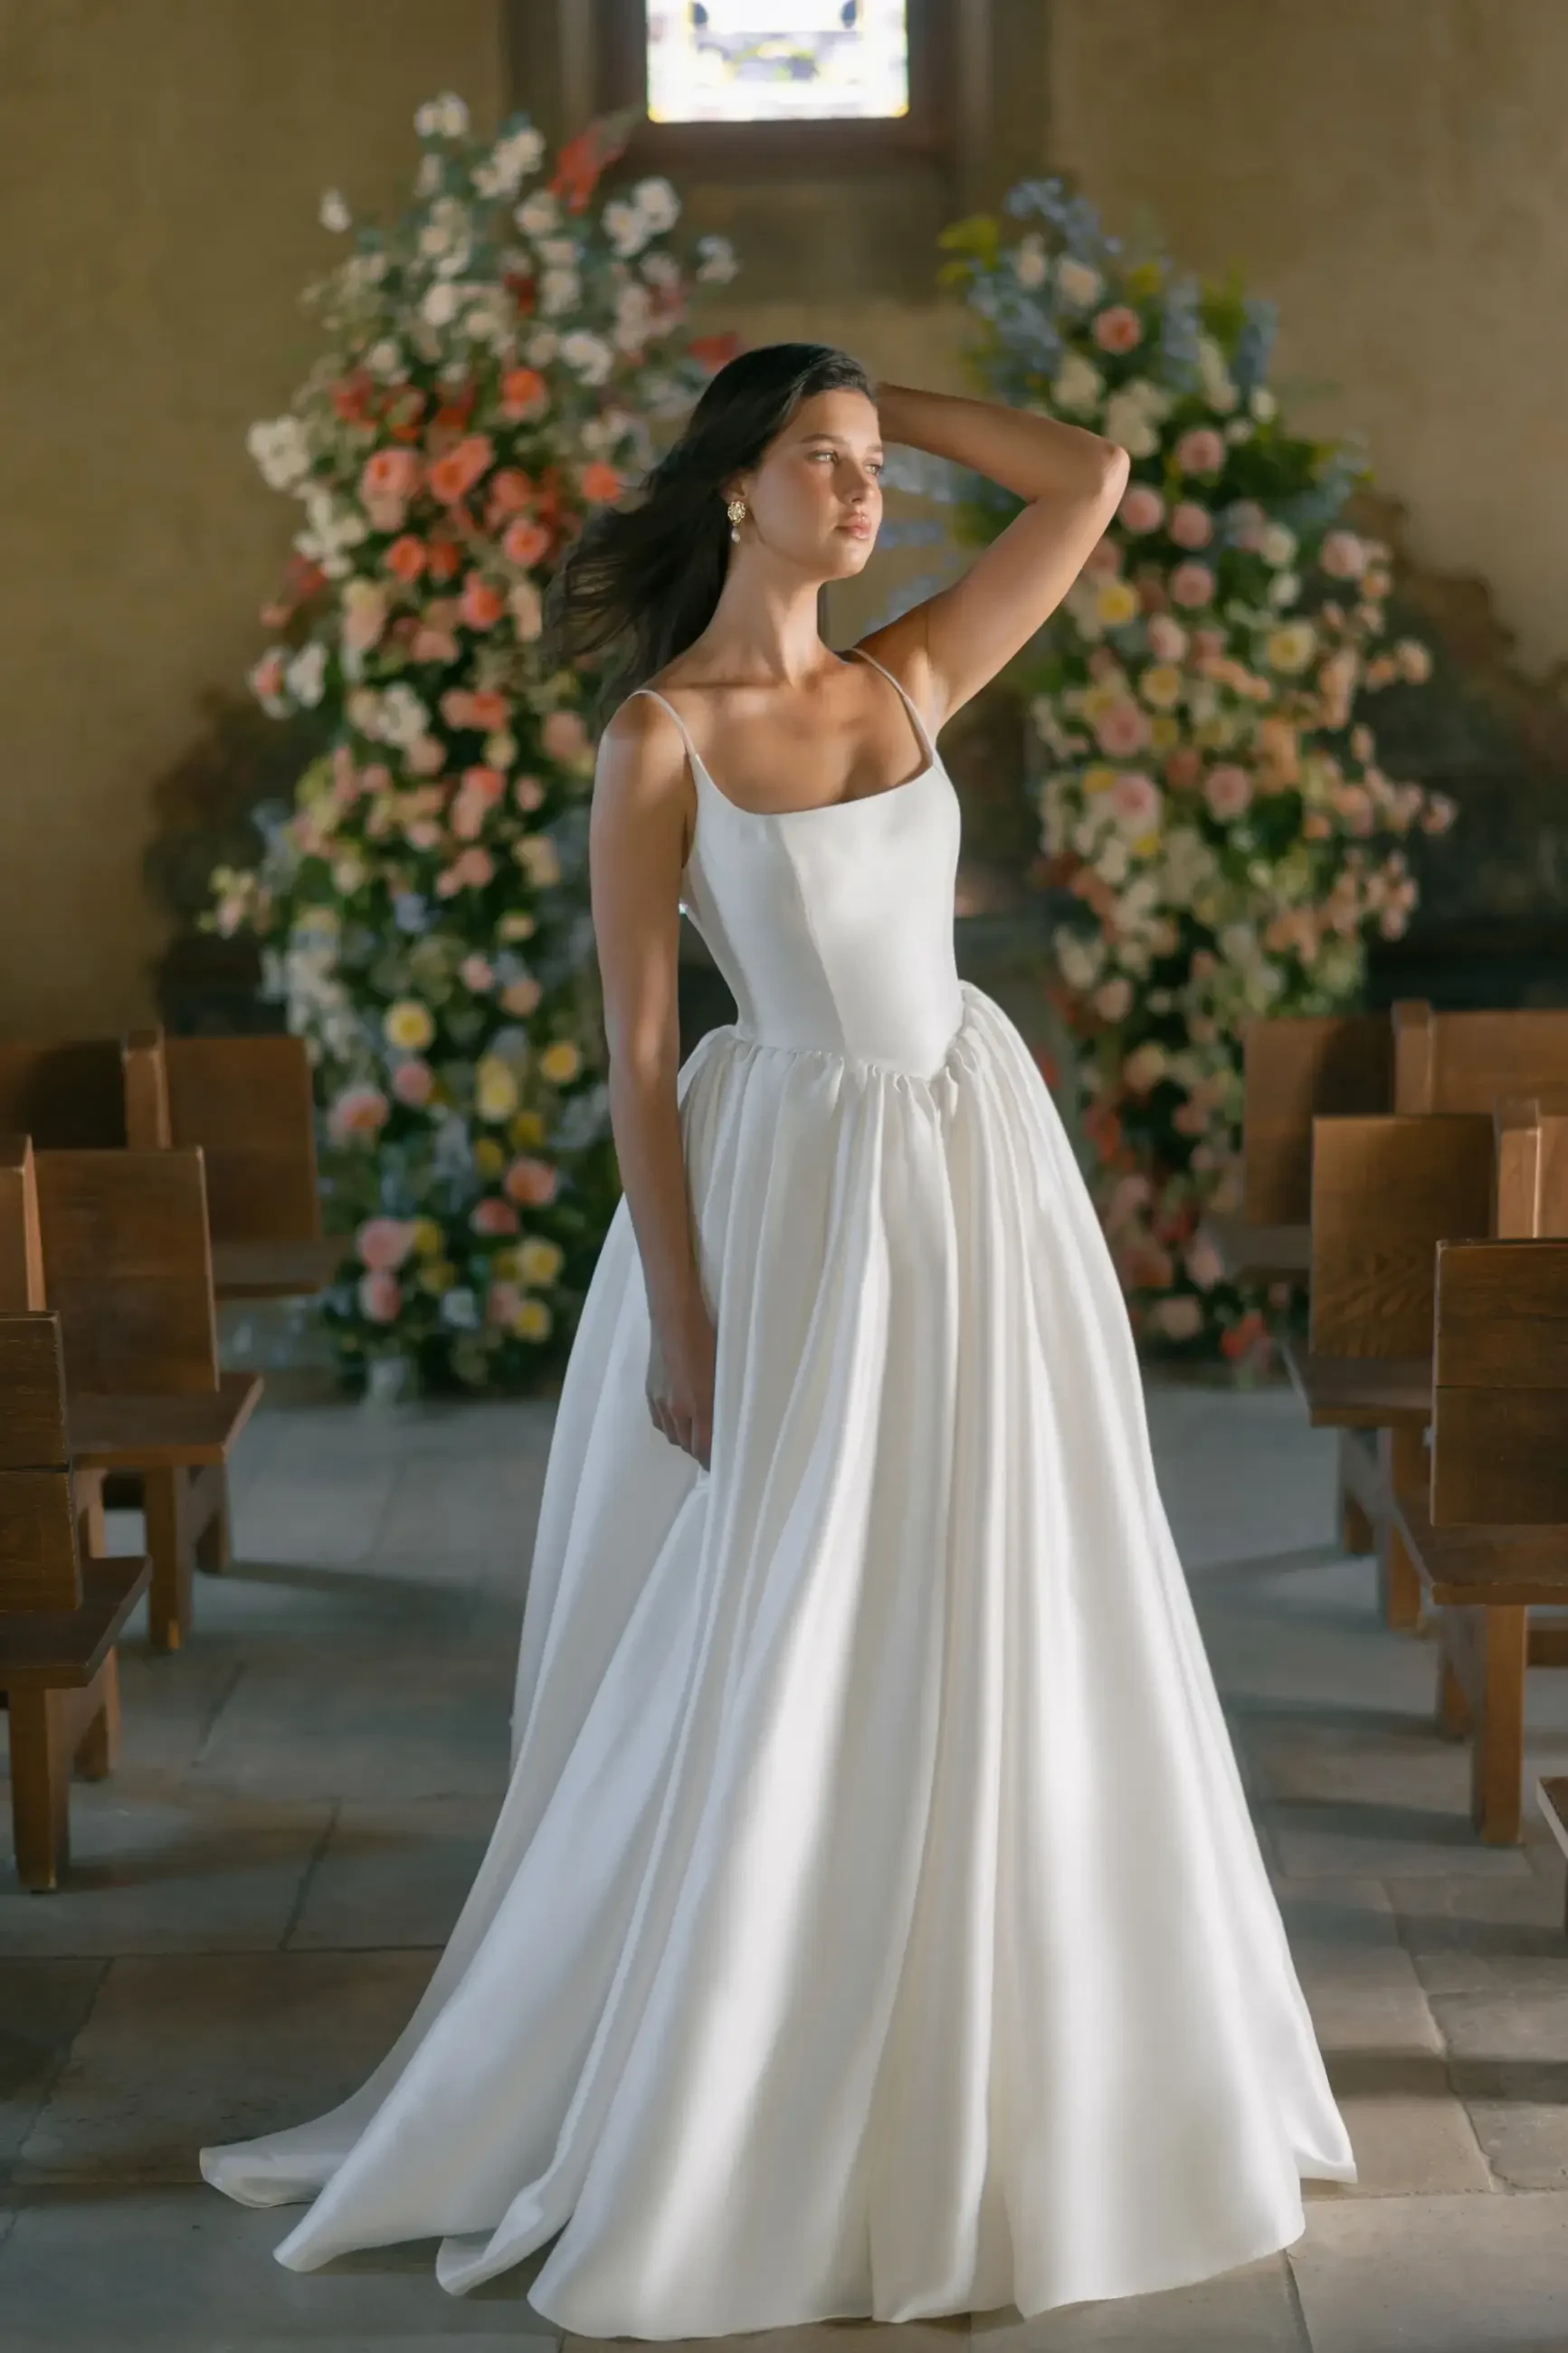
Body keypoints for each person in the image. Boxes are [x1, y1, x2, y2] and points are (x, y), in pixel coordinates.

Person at [201, 342, 1354, 2337]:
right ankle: (741, 2061)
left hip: (972, 1183)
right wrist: (677, 1309)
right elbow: (640, 1055)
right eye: (819, 462)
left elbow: (1085, 476)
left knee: (1001, 1589)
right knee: (789, 1604)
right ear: (733, 488)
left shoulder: (902, 681)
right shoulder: (659, 736)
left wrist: (881, 380)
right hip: (790, 1196)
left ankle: (1011, 2052)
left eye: (869, 468)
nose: (861, 492)